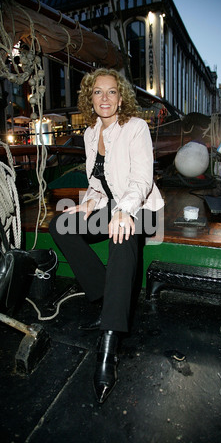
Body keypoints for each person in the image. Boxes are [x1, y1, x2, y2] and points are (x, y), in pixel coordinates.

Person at [49, 68, 164, 403]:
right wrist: (85, 207)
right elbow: (97, 184)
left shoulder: (135, 127)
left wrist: (124, 212)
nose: (104, 98)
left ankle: (109, 345)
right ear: (90, 97)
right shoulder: (89, 133)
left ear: (121, 96)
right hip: (108, 205)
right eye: (97, 92)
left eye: (111, 92)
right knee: (60, 225)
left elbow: (141, 179)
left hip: (139, 208)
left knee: (122, 235)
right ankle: (104, 296)